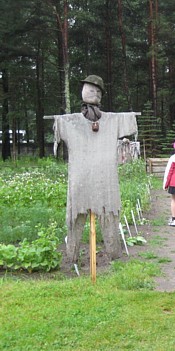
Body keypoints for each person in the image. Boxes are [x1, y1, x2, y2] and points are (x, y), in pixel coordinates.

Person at [53, 75, 138, 263]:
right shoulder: (70, 122)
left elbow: (127, 121)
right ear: (82, 90)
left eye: (99, 91)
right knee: (76, 218)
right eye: (91, 89)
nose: (95, 93)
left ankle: (113, 254)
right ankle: (72, 255)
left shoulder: (112, 121)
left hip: (105, 181)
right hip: (80, 179)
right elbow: (59, 128)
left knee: (109, 216)